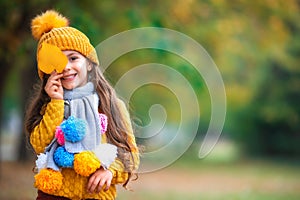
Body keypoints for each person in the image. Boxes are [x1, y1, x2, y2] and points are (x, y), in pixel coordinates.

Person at [24, 10, 139, 200]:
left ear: (89, 63)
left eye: (73, 58)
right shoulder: (50, 106)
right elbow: (39, 145)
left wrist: (110, 171)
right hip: (54, 195)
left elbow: (130, 155)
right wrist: (56, 103)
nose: (66, 66)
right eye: (56, 61)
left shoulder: (111, 106)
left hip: (97, 195)